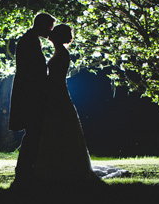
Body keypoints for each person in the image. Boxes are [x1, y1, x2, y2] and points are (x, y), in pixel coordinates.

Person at [33, 24, 103, 184]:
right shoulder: (59, 52)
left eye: (54, 32)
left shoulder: (62, 54)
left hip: (57, 93)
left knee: (60, 126)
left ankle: (63, 165)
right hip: (56, 92)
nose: (49, 33)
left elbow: (56, 78)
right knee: (58, 127)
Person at [8, 12, 55, 186]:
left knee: (34, 132)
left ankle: (27, 169)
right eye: (49, 28)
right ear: (41, 25)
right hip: (30, 94)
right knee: (33, 132)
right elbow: (34, 72)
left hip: (30, 92)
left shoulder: (31, 40)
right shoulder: (30, 41)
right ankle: (24, 171)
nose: (50, 32)